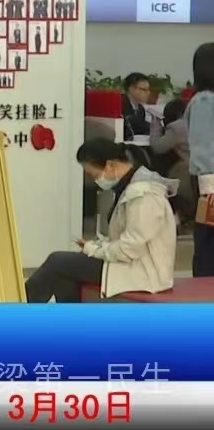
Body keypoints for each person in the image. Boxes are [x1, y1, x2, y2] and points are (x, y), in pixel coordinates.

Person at [25, 139, 177, 303]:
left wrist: (94, 250)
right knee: (63, 274)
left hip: (143, 272)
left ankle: (17, 309)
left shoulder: (144, 195)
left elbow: (130, 248)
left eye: (93, 175)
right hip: (131, 264)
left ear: (110, 165)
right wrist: (97, 246)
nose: (94, 180)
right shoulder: (131, 189)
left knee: (57, 262)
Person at [188, 42, 214, 276]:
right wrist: (209, 190)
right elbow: (203, 148)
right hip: (210, 181)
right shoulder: (205, 101)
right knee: (208, 239)